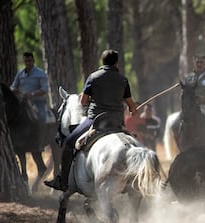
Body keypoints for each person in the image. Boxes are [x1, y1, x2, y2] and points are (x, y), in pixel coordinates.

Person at [45, 49, 138, 191]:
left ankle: (63, 181)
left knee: (69, 142)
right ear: (116, 62)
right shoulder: (123, 80)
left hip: (96, 121)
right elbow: (132, 106)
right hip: (116, 122)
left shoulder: (93, 77)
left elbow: (83, 102)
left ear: (103, 61)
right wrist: (133, 110)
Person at [10, 52, 49, 123]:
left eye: (29, 61)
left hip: (38, 102)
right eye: (26, 61)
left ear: (33, 61)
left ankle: (43, 133)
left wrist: (32, 94)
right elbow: (13, 86)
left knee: (42, 116)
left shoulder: (40, 73)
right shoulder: (20, 74)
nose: (28, 63)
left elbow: (44, 89)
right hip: (23, 102)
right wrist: (14, 89)